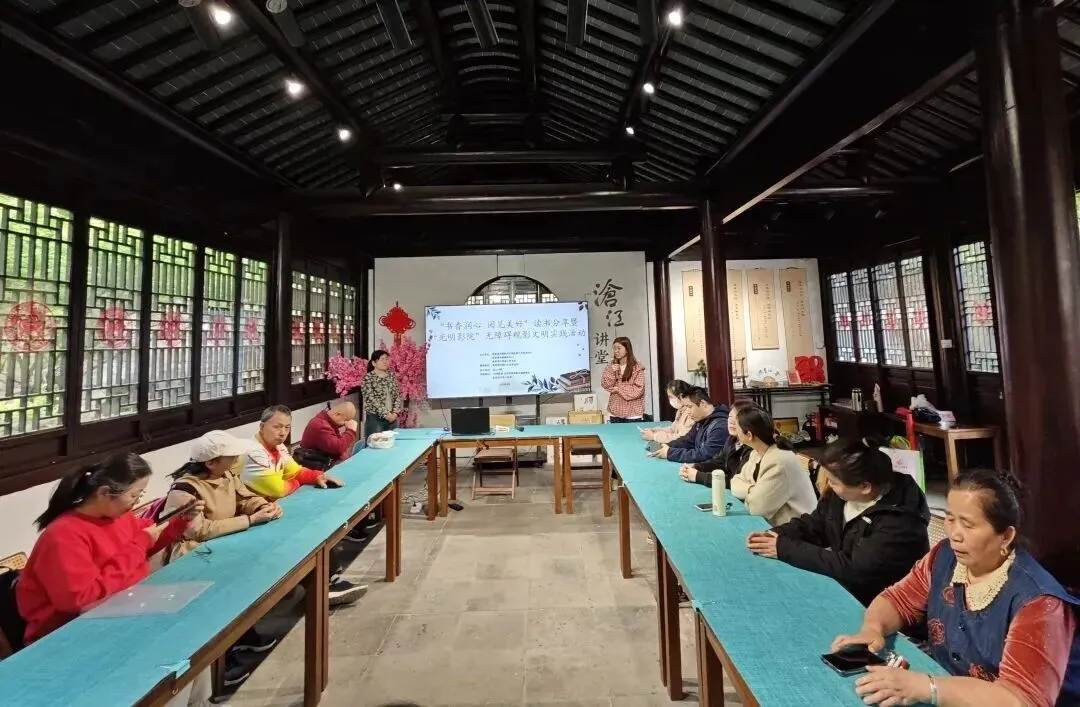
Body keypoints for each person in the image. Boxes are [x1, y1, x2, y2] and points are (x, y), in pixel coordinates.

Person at [832, 469, 1079, 707]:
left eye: (968, 525)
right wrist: (873, 628)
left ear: (1005, 536)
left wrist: (927, 688)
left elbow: (1020, 700)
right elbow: (899, 600)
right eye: (950, 519)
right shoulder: (944, 556)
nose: (954, 534)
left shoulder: (1040, 603)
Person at [15, 455, 208, 707]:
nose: (137, 502)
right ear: (105, 492)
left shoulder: (119, 518)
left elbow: (143, 547)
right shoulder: (63, 535)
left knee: (196, 643)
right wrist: (139, 544)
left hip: (122, 612)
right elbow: (79, 600)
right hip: (73, 633)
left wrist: (179, 521)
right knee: (168, 667)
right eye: (134, 495)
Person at [747, 437, 930, 606]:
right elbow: (816, 525)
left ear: (865, 487)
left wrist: (785, 548)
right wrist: (776, 535)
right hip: (845, 589)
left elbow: (854, 569)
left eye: (833, 482)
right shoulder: (842, 495)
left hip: (881, 606)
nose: (827, 486)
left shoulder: (901, 522)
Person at [161, 431, 282, 686]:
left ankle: (243, 634)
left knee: (244, 586)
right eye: (231, 457)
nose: (236, 460)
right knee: (213, 606)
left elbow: (245, 498)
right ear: (211, 462)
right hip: (194, 556)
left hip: (225, 544)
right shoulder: (185, 490)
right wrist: (249, 520)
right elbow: (199, 531)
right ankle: (220, 662)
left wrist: (263, 506)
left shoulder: (227, 475)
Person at [239, 406, 364, 606]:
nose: (282, 433)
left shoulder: (278, 447)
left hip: (270, 508)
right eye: (277, 427)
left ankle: (329, 581)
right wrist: (298, 481)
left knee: (318, 518)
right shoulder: (254, 452)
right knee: (306, 530)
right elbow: (279, 489)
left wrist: (317, 476)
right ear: (262, 426)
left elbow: (296, 471)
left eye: (287, 428)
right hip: (250, 516)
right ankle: (323, 588)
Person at [728, 406, 816, 526]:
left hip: (796, 529)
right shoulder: (756, 453)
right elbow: (735, 482)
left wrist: (750, 492)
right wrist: (753, 490)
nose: (735, 432)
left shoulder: (779, 461)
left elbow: (757, 508)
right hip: (777, 525)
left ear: (749, 434)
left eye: (737, 427)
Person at [679, 398, 755, 487]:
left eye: (737, 418)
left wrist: (698, 476)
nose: (731, 422)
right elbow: (719, 461)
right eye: (730, 417)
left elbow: (736, 481)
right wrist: (697, 466)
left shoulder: (753, 448)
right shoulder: (732, 439)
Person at [647, 387, 729, 464]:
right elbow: (688, 440)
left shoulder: (721, 426)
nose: (688, 411)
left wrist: (670, 453)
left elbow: (705, 455)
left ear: (703, 403)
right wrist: (667, 446)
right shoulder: (701, 420)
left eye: (690, 407)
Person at [297, 401, 359, 468]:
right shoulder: (320, 425)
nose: (344, 425)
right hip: (311, 465)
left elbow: (339, 450)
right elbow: (337, 448)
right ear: (338, 414)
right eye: (344, 421)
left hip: (319, 461)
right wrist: (351, 431)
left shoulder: (327, 422)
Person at [601, 336, 646, 422]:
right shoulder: (611, 365)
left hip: (633, 413)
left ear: (627, 350)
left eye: (619, 348)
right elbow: (606, 385)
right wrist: (612, 372)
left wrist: (618, 389)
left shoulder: (637, 367)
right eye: (614, 348)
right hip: (615, 411)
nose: (616, 351)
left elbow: (638, 390)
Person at [361, 350, 402, 441]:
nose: (385, 362)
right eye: (382, 359)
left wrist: (395, 413)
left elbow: (397, 395)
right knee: (375, 444)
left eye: (386, 359)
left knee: (392, 443)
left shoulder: (391, 376)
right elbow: (371, 398)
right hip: (375, 418)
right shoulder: (368, 378)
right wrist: (385, 414)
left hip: (392, 417)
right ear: (374, 363)